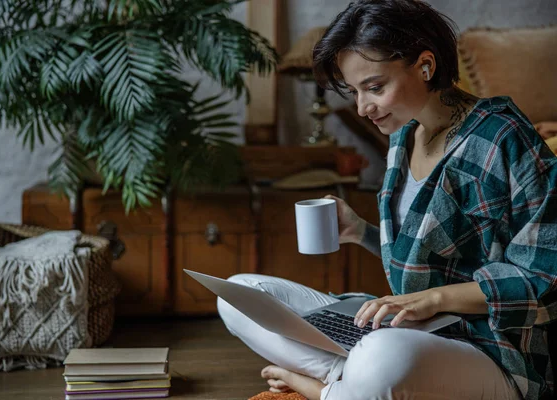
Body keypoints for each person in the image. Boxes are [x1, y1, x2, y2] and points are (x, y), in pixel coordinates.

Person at [217, 1, 557, 399]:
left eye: (375, 87)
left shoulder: (504, 139)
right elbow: (425, 263)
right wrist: (361, 232)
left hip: (488, 348)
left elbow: (543, 279)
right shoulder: (403, 135)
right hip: (408, 333)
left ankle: (323, 387)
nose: (363, 107)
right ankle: (355, 381)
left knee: (379, 356)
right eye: (355, 90)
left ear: (425, 65)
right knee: (240, 295)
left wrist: (433, 300)